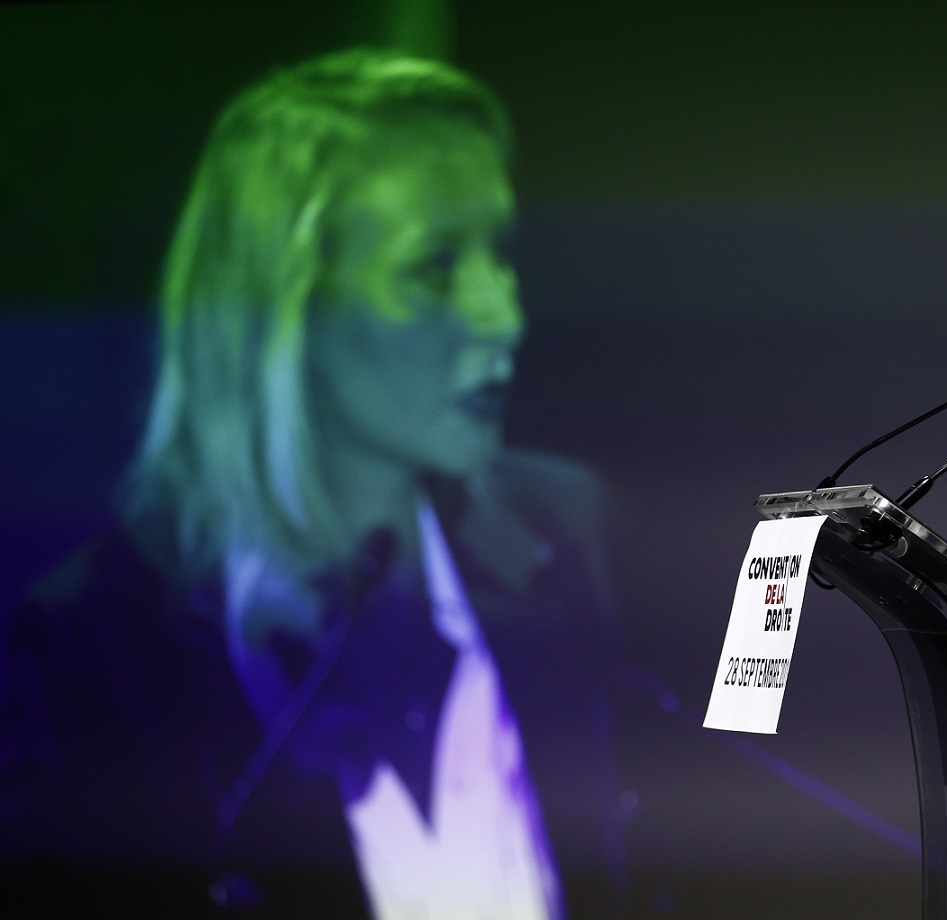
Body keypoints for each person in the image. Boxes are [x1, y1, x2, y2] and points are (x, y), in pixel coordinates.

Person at [0, 49, 626, 918]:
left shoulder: (565, 532)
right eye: (435, 267)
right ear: (284, 304)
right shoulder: (100, 645)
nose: (503, 314)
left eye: (500, 253)